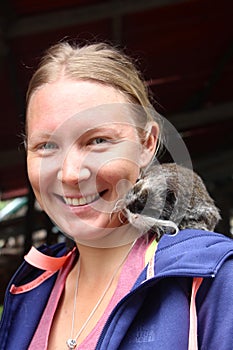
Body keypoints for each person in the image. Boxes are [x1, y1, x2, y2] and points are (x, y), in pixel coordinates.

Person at [1, 41, 233, 350]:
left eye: (98, 140)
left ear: (147, 144)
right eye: (47, 146)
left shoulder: (215, 279)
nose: (70, 174)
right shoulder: (28, 293)